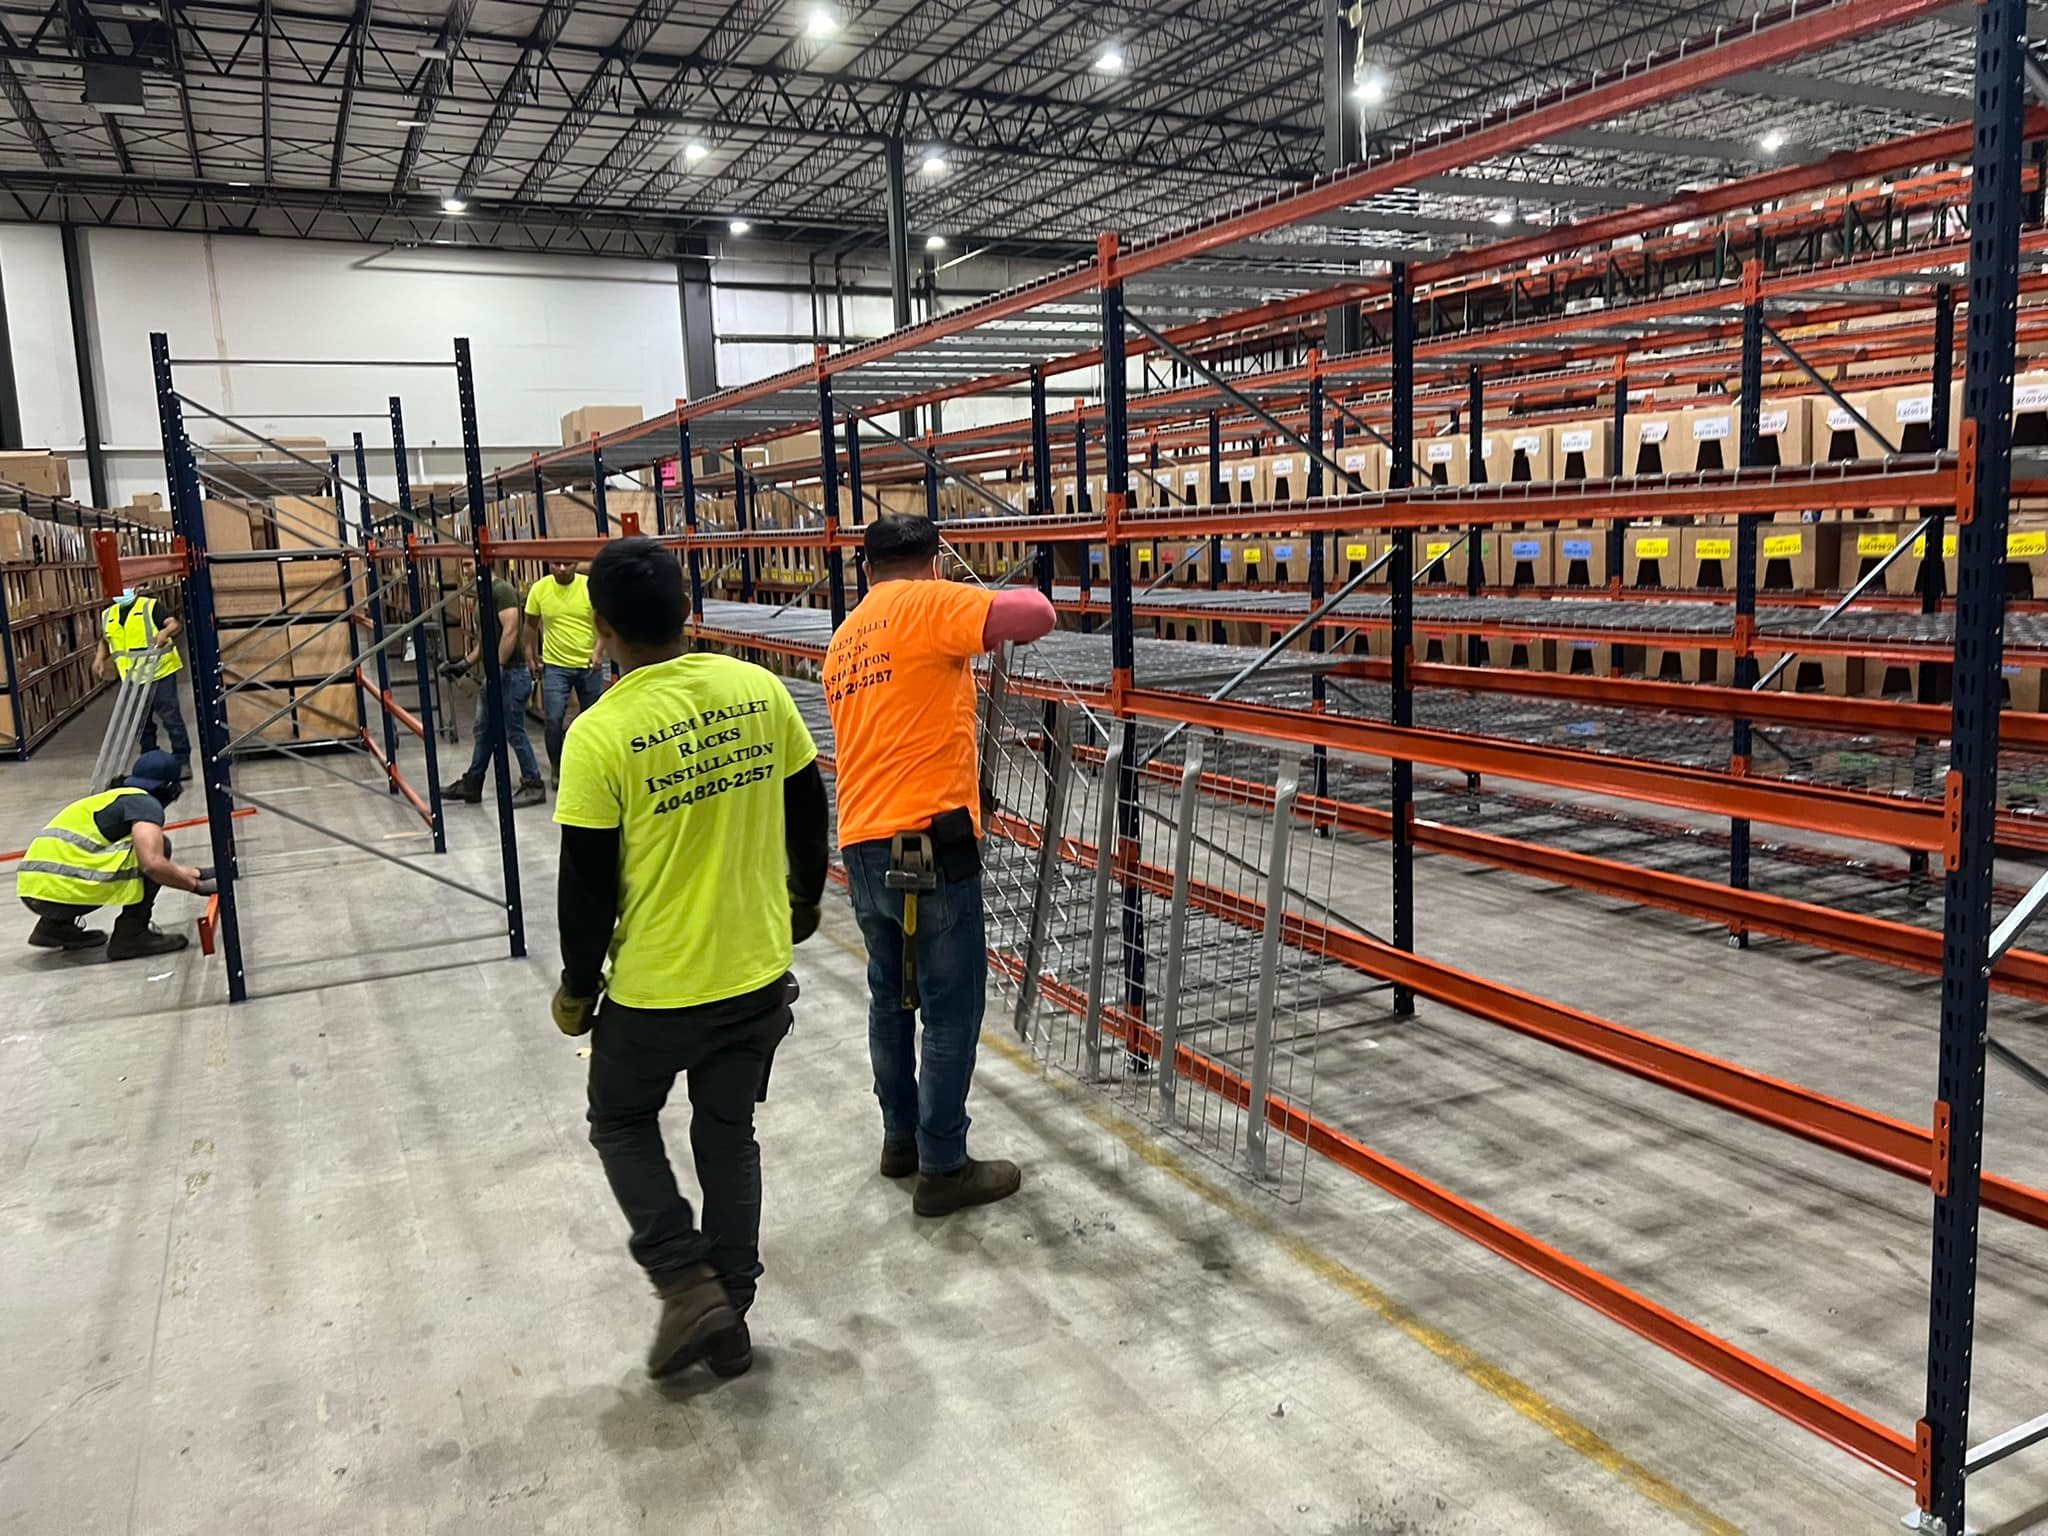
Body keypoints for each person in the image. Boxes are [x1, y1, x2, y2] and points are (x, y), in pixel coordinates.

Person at [552, 537, 828, 1382]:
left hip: (658, 989)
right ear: (687, 609)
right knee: (727, 1131)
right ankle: (729, 1311)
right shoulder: (757, 689)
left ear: (600, 628)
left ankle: (683, 1276)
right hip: (754, 972)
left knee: (622, 1121)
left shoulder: (599, 735)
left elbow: (587, 887)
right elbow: (808, 807)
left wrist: (576, 985)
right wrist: (805, 901)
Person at [822, 515, 1056, 1218]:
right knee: (951, 1006)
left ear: (866, 569)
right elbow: (1036, 612)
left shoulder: (845, 637)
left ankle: (901, 1141)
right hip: (928, 840)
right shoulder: (928, 602)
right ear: (933, 563)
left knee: (891, 999)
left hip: (863, 843)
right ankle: (944, 1166)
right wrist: (955, 592)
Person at [18, 750, 213, 960]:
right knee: (159, 846)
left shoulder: (107, 799)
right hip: (61, 892)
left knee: (119, 854)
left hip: (33, 891)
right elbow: (152, 865)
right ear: (170, 789)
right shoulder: (146, 804)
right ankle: (132, 934)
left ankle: (54, 927)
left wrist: (196, 872)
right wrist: (196, 887)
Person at [441, 565, 546, 809]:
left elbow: (510, 630)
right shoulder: (482, 595)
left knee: (513, 730)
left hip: (512, 673)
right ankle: (473, 783)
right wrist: (462, 664)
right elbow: (485, 642)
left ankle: (534, 783)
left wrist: (498, 666)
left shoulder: (503, 590)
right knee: (483, 731)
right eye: (464, 565)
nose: (466, 570)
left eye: (470, 564)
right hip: (497, 673)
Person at [525, 557, 606, 789]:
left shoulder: (589, 587)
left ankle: (592, 767)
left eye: (567, 564)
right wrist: (529, 654)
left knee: (593, 721)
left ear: (576, 564)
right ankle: (557, 768)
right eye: (556, 564)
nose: (561, 569)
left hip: (588, 666)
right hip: (556, 667)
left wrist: (598, 652)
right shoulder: (540, 589)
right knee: (553, 720)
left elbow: (604, 624)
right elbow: (530, 625)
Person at [97, 588, 190, 771]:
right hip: (131, 677)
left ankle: (182, 759)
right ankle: (149, 759)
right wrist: (99, 659)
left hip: (159, 672)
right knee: (140, 722)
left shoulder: (150, 606)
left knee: (170, 717)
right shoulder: (108, 614)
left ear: (136, 588)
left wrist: (165, 632)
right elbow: (105, 640)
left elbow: (174, 624)